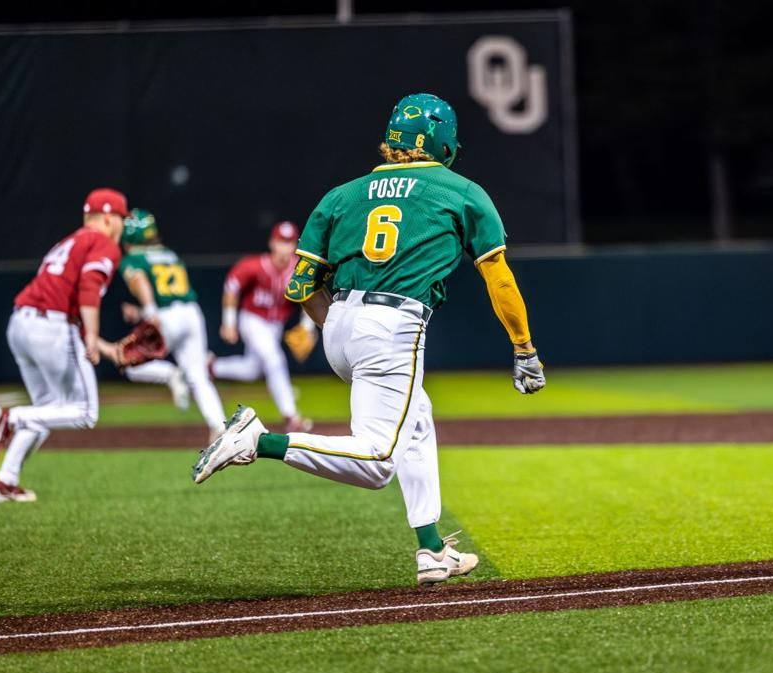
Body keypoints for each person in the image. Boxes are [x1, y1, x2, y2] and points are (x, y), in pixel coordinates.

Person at [192, 93, 546, 585]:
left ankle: (432, 550)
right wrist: (524, 347)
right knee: (379, 460)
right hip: (394, 326)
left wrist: (340, 329)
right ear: (442, 142)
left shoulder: (341, 195)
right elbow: (499, 278)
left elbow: (300, 286)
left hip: (337, 321)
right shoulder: (462, 190)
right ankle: (258, 440)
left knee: (417, 422)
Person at [0, 188, 128, 503]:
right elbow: (89, 287)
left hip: (21, 323)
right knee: (85, 412)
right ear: (107, 217)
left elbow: (66, 298)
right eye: (120, 218)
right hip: (52, 327)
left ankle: (3, 482)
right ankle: (10, 418)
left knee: (47, 409)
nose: (122, 225)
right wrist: (91, 336)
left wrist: (104, 346)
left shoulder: (69, 242)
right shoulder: (102, 243)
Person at [106, 208, 226, 441]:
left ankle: (171, 374)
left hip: (166, 316)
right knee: (198, 376)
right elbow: (171, 294)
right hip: (192, 312)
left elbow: (141, 282)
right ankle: (219, 426)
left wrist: (148, 312)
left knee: (128, 361)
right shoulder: (169, 254)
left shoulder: (133, 259)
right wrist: (144, 311)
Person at [210, 222, 316, 433]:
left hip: (275, 326)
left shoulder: (299, 269)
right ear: (272, 243)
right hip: (253, 320)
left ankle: (210, 367)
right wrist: (229, 322)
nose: (285, 248)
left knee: (252, 370)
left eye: (289, 243)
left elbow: (309, 298)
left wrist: (307, 327)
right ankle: (291, 416)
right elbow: (232, 286)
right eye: (281, 242)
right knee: (274, 360)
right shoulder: (255, 265)